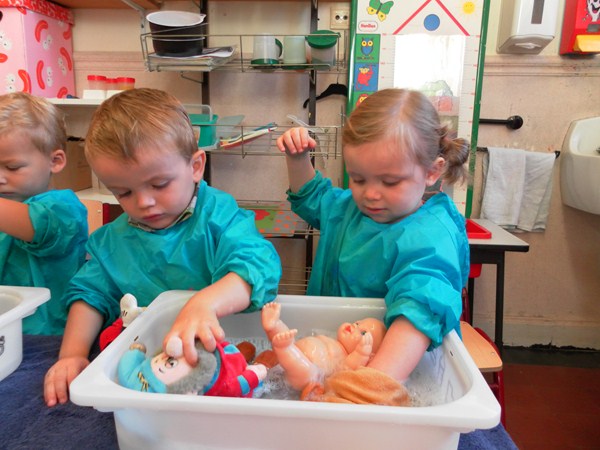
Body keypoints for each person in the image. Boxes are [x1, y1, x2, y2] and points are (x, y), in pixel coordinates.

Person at [44, 88, 282, 407]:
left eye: (159, 185)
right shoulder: (113, 241)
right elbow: (89, 295)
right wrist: (71, 355)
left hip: (223, 359)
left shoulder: (219, 218)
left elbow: (257, 266)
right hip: (149, 369)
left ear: (195, 166)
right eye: (123, 192)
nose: (144, 202)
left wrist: (205, 304)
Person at [275, 88, 470, 390]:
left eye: (390, 181)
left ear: (432, 171)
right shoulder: (348, 209)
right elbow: (313, 198)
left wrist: (363, 391)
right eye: (358, 178)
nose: (370, 194)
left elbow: (420, 308)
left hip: (394, 371)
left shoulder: (430, 238)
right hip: (335, 351)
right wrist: (298, 158)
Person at [0, 92, 88, 335]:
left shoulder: (64, 208)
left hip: (47, 335)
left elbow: (32, 223)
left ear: (55, 161)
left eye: (12, 167)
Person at [261, 302, 386, 391]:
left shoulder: (346, 360)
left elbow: (348, 369)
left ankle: (284, 348)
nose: (355, 326)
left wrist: (361, 353)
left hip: (307, 375)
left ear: (370, 355)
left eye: (363, 333)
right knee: (287, 337)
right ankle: (274, 326)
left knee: (307, 373)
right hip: (295, 352)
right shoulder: (333, 341)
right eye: (357, 323)